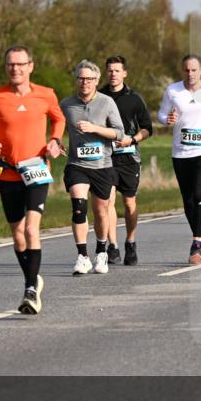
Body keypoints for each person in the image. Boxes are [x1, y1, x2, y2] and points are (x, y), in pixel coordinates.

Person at [0, 45, 65, 314]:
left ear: (30, 66)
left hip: (37, 169)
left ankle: (29, 290)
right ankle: (32, 277)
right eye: (10, 65)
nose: (15, 69)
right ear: (6, 68)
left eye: (20, 64)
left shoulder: (46, 94)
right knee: (17, 235)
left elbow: (58, 120)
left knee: (30, 229)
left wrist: (55, 141)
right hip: (8, 171)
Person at [157, 54, 201, 265]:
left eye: (194, 70)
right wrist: (167, 119)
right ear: (183, 71)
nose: (190, 74)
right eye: (186, 70)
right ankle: (200, 236)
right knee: (188, 199)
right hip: (180, 152)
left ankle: (196, 242)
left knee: (199, 193)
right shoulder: (173, 90)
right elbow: (162, 116)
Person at [61, 60, 125, 275]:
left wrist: (95, 128)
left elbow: (119, 133)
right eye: (81, 78)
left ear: (97, 81)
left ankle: (101, 251)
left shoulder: (106, 103)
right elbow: (55, 126)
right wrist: (56, 141)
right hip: (76, 164)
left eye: (89, 79)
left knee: (100, 211)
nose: (85, 82)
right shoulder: (66, 104)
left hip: (102, 165)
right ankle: (82, 256)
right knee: (78, 206)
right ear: (76, 80)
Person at [101, 55, 152, 265]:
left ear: (124, 73)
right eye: (110, 70)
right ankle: (112, 246)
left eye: (117, 70)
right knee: (108, 202)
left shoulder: (134, 98)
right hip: (105, 156)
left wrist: (133, 139)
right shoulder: (99, 96)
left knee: (129, 202)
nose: (113, 74)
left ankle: (130, 242)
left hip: (129, 157)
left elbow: (148, 128)